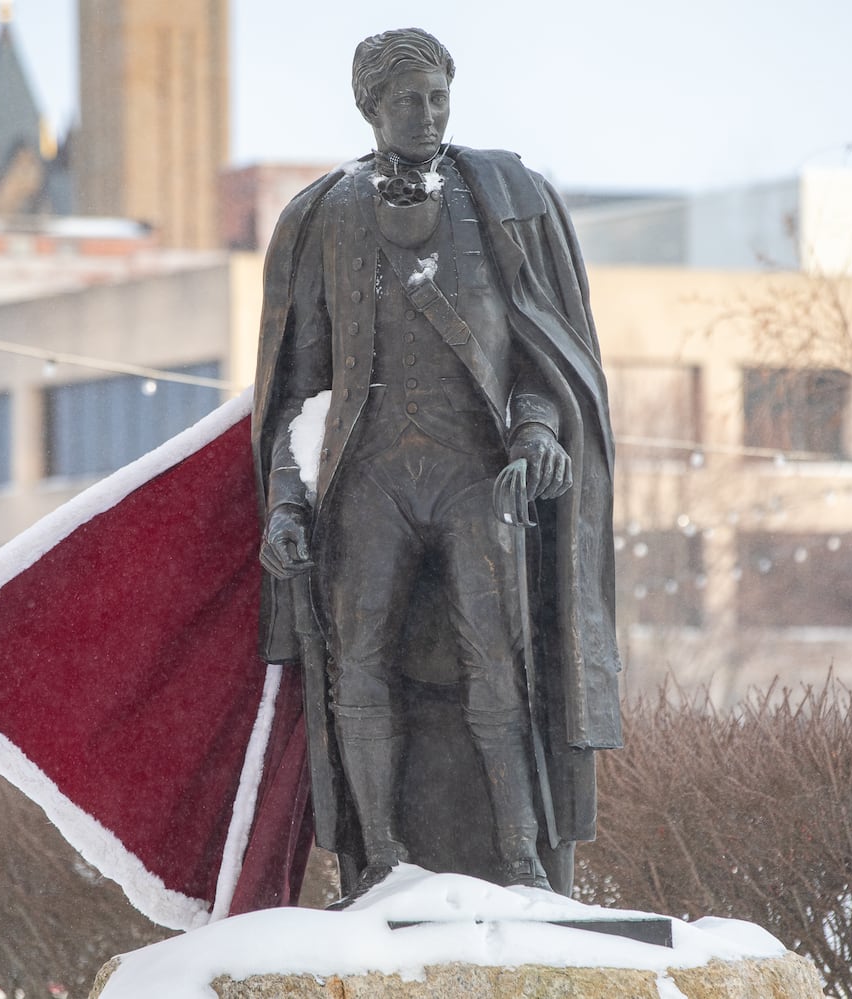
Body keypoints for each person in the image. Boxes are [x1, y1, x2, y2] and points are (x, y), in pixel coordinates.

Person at [252, 27, 621, 906]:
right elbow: (297, 390)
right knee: (359, 669)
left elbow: (540, 353)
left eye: (439, 96)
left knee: (500, 667)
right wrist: (288, 502)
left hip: (473, 474)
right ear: (370, 108)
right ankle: (379, 862)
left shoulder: (508, 200)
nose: (429, 113)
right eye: (410, 99)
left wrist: (538, 432)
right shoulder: (321, 216)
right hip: (365, 482)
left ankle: (524, 864)